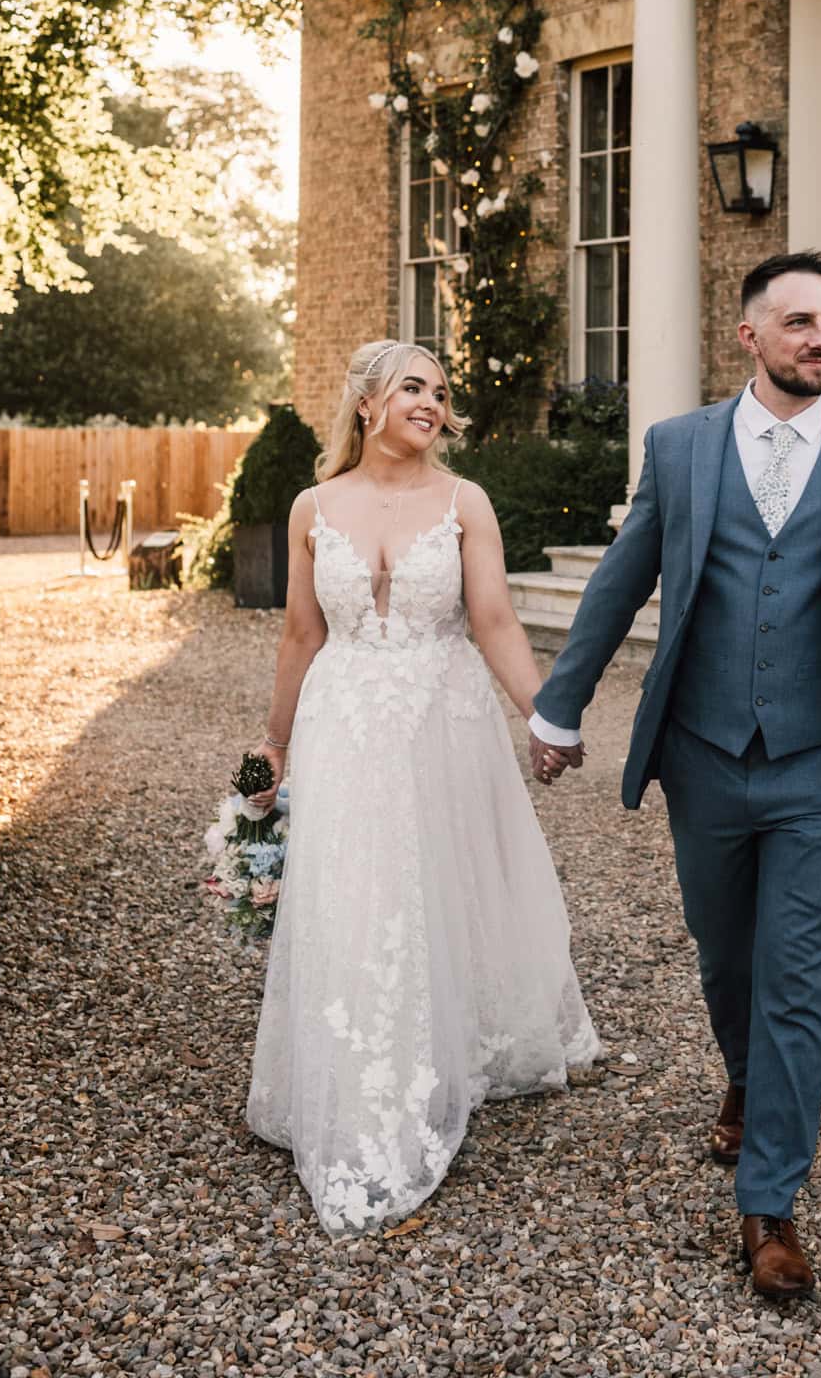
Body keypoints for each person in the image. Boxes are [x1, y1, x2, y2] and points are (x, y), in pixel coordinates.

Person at [527, 251, 821, 1300]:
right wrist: (558, 705)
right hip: (704, 760)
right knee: (724, 959)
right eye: (797, 320)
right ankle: (749, 1084)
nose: (820, 338)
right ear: (747, 335)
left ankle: (768, 1205)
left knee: (793, 974)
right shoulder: (678, 449)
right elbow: (618, 585)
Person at [245, 339, 599, 1237]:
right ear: (365, 403)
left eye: (440, 393)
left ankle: (445, 1052)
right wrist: (273, 746)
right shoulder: (311, 505)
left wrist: (540, 715)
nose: (431, 403)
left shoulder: (462, 500)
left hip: (441, 717)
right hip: (343, 721)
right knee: (356, 894)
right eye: (413, 388)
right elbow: (298, 632)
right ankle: (355, 1078)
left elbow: (493, 619)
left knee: (437, 884)